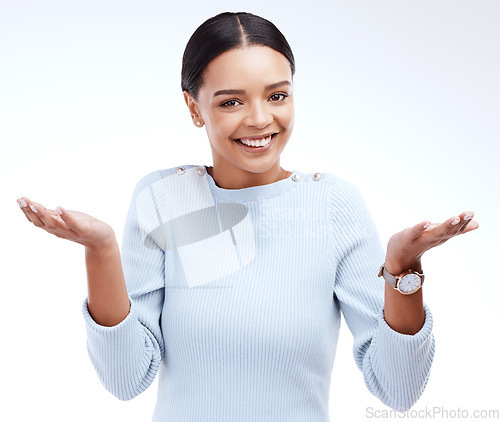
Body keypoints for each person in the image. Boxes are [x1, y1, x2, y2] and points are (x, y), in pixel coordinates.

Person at [16, 11, 479, 422]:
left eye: (277, 96)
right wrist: (101, 249)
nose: (260, 119)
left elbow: (397, 391)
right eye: (231, 102)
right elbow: (126, 379)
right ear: (194, 108)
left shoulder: (333, 208)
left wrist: (401, 270)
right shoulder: (165, 199)